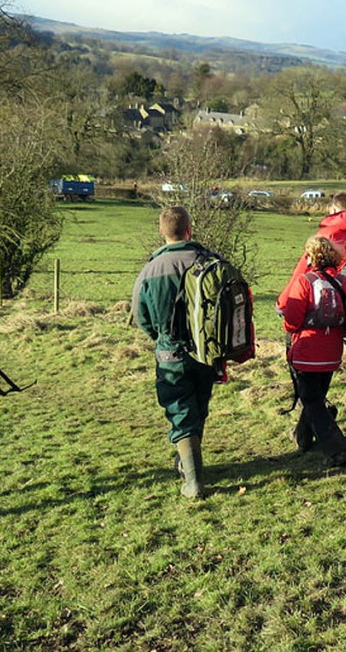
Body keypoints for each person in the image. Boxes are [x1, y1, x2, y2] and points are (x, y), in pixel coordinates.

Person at [132, 206, 219, 499]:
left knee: (181, 410)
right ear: (189, 230)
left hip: (171, 353)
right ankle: (187, 464)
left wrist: (161, 338)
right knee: (198, 405)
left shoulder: (151, 270)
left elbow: (141, 316)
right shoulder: (211, 261)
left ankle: (193, 482)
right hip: (207, 352)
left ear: (162, 231)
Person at [280, 236, 346, 467]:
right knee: (315, 398)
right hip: (332, 352)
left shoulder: (304, 282)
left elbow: (292, 319)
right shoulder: (345, 283)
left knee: (312, 400)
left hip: (306, 350)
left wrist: (288, 328)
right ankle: (303, 437)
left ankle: (336, 449)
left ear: (311, 257)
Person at [276, 191, 346, 311]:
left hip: (329, 300)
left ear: (333, 209)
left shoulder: (326, 235)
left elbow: (304, 269)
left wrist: (284, 301)